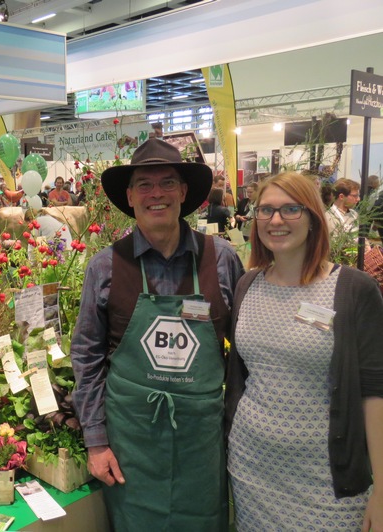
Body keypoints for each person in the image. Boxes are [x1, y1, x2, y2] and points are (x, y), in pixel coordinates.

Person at [71, 138, 244, 530]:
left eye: (167, 183)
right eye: (144, 186)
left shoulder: (221, 260)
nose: (157, 194)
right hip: (133, 443)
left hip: (202, 440)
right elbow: (86, 355)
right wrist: (96, 441)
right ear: (130, 197)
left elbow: (243, 354)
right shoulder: (106, 267)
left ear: (184, 192)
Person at [225, 171, 383, 530]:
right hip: (252, 469)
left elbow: (375, 392)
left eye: (291, 210)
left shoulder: (353, 289)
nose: (276, 220)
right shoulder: (247, 285)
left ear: (313, 218)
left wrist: (382, 491)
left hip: (328, 479)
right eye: (265, 211)